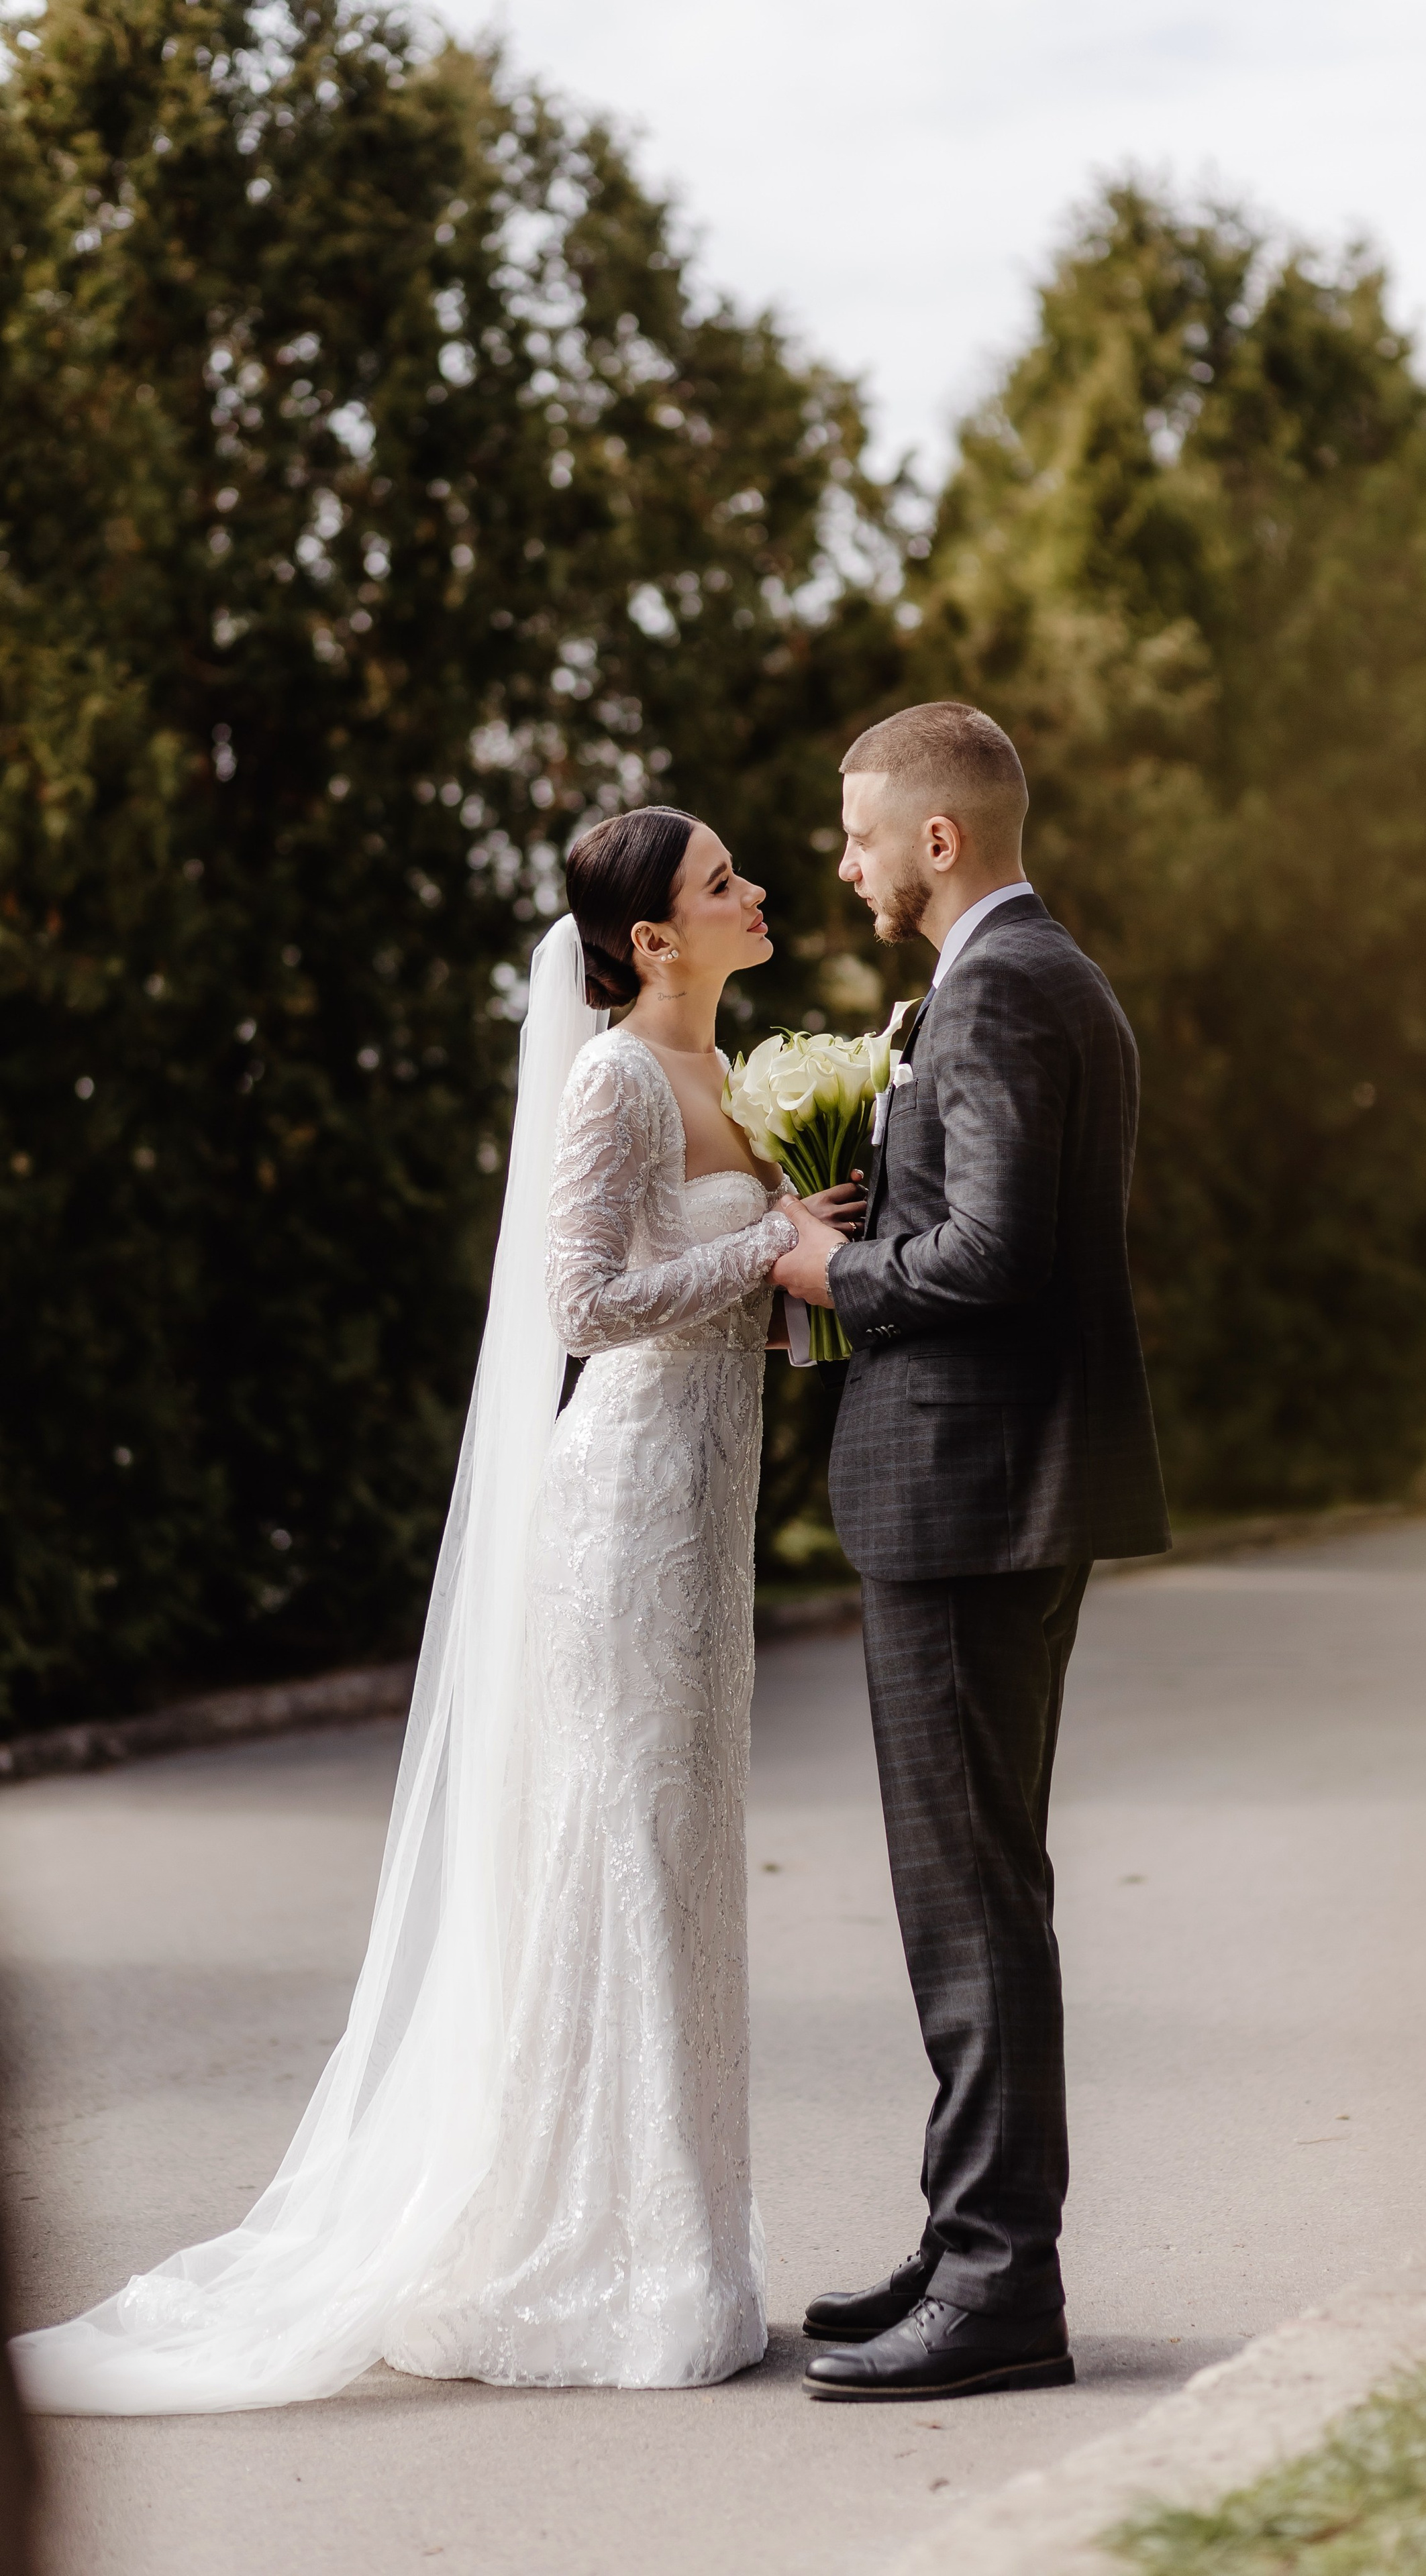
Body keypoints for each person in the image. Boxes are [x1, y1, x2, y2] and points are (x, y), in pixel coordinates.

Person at [9, 807, 854, 2414]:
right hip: (615, 1521)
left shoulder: (734, 1086)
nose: (757, 893)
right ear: (653, 941)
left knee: (677, 1866)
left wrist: (818, 1254)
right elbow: (582, 1307)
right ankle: (596, 2263)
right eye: (722, 882)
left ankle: (677, 2245)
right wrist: (767, 1247)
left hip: (703, 1518)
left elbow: (755, 1306)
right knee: (612, 1852)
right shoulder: (610, 1078)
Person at [771, 702, 1170, 2402]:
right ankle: (963, 2244)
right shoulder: (1018, 975)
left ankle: (1002, 2281)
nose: (844, 862)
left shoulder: (1005, 983)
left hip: (973, 1492)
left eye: (861, 833)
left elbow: (992, 1254)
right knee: (972, 1891)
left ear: (939, 839)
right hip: (985, 1489)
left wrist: (821, 1275)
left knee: (972, 1901)